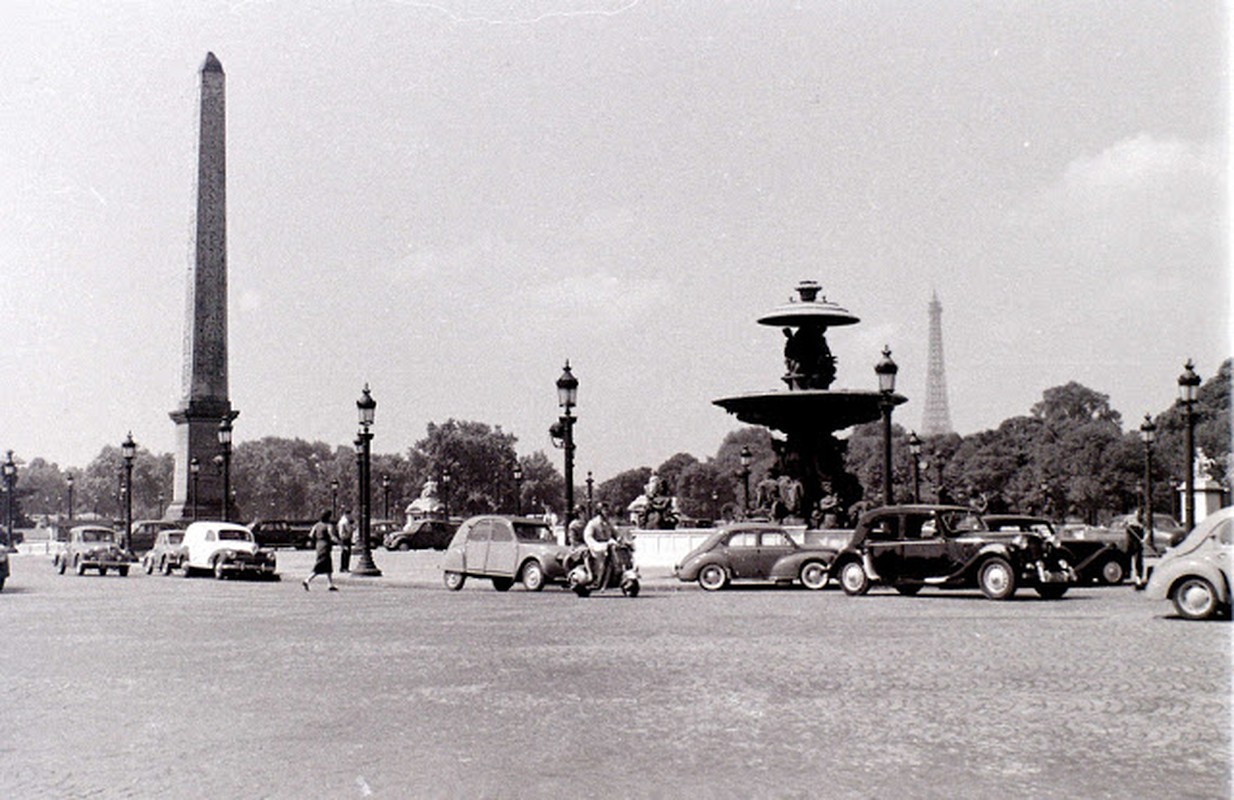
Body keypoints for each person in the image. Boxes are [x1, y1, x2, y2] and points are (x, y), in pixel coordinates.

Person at [302, 510, 338, 591]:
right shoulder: (328, 525)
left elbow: (311, 535)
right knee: (320, 565)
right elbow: (332, 536)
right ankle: (307, 580)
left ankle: (330, 584)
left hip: (318, 545)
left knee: (328, 566)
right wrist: (340, 543)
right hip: (325, 545)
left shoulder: (317, 525)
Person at [582, 502, 616, 584]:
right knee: (600, 563)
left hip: (608, 545)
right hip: (598, 547)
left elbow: (615, 533)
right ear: (599, 511)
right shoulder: (593, 523)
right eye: (604, 510)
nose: (607, 512)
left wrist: (620, 539)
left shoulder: (608, 523)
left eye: (607, 510)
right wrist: (596, 545)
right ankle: (596, 578)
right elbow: (588, 537)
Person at [337, 508, 354, 573]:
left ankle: (342, 567)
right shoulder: (346, 521)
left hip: (342, 537)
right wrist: (352, 528)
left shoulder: (341, 520)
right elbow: (349, 530)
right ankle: (345, 567)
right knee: (346, 553)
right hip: (346, 538)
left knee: (343, 553)